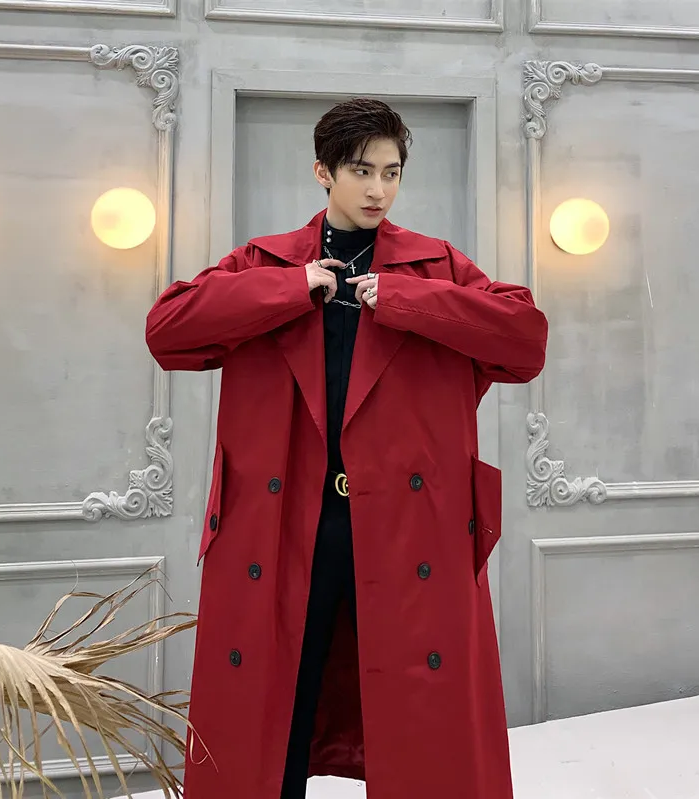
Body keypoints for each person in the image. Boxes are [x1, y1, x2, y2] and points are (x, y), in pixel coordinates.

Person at [146, 97, 548, 799]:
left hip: (404, 527)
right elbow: (169, 331)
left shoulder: (435, 264)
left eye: (391, 173)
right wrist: (290, 289)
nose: (378, 190)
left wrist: (406, 300)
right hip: (283, 525)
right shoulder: (266, 260)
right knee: (275, 713)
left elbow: (524, 340)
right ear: (323, 172)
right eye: (362, 171)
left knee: (417, 722)